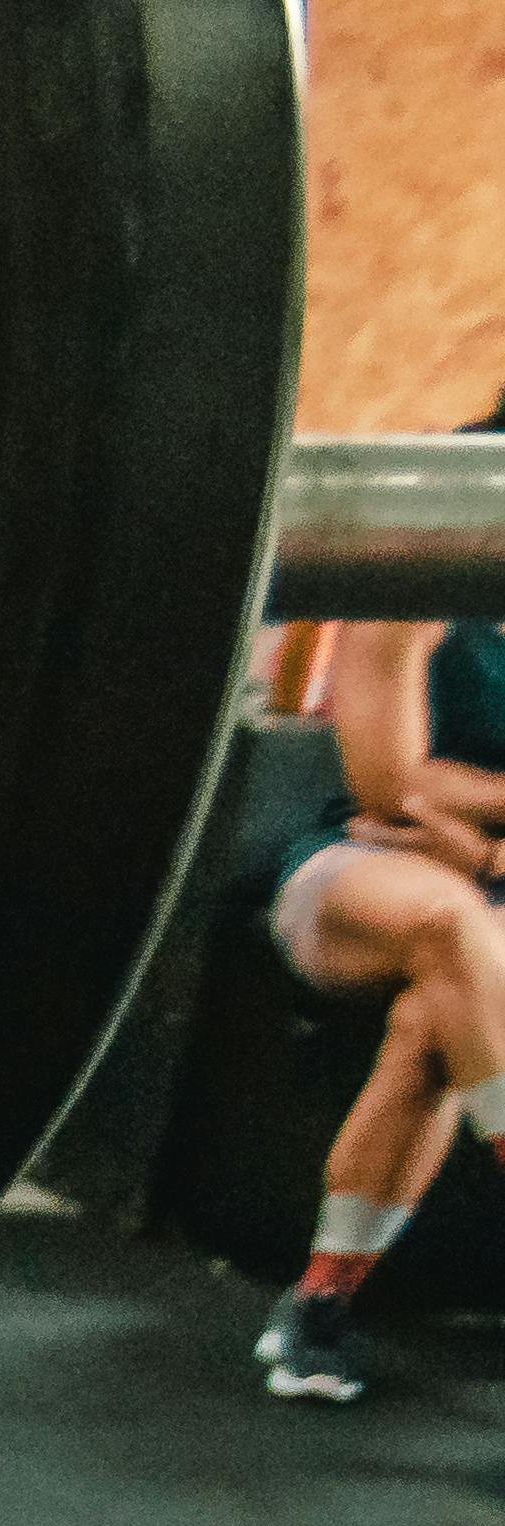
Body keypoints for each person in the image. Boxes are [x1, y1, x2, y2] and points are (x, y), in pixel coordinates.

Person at [247, 439, 505, 1406]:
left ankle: (318, 1307)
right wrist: (472, 848)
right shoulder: (437, 534)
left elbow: (433, 786)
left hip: (480, 879)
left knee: (435, 1024)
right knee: (450, 930)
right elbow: (388, 783)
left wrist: (476, 834)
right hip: (365, 873)